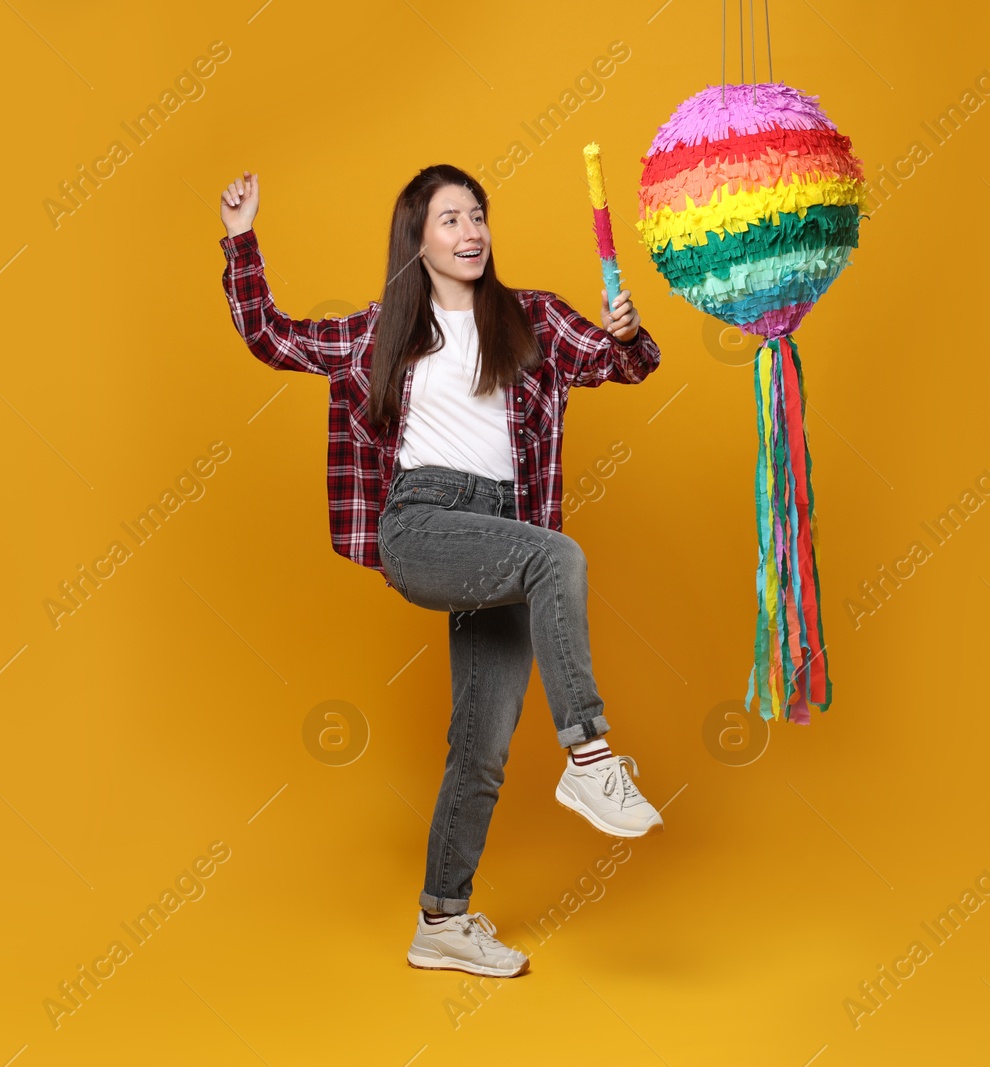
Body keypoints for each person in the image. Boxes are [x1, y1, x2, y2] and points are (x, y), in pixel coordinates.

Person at [217, 163, 664, 980]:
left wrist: (627, 335)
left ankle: (442, 923)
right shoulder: (381, 331)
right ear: (417, 239)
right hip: (420, 524)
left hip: (500, 533)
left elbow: (615, 363)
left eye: (478, 215)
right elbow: (272, 337)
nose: (471, 231)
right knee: (556, 552)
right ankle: (591, 759)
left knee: (481, 744)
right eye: (450, 219)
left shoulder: (529, 318)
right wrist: (242, 240)